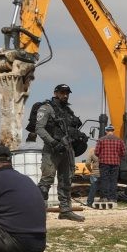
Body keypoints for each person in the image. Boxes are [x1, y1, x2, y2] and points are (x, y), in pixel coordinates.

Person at [36, 84, 85, 222]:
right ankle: (38, 212)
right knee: (46, 181)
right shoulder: (46, 108)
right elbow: (39, 128)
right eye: (62, 92)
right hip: (52, 150)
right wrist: (53, 143)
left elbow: (71, 128)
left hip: (67, 149)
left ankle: (65, 211)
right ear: (56, 93)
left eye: (67, 93)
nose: (65, 95)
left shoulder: (67, 110)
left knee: (66, 181)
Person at [95, 125, 126, 203]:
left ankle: (104, 197)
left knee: (104, 179)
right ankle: (112, 198)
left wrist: (102, 156)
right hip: (115, 163)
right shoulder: (119, 140)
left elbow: (96, 152)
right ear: (113, 131)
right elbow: (124, 152)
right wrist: (118, 157)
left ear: (106, 131)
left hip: (104, 163)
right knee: (113, 180)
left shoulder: (101, 140)